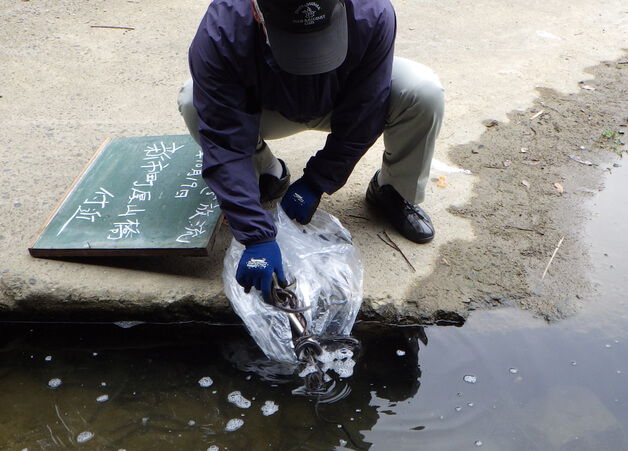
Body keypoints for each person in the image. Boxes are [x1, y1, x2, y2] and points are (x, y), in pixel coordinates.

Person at [179, 0, 444, 303]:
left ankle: (393, 189)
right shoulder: (222, 31)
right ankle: (266, 173)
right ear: (257, 11)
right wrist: (255, 236)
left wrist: (319, 179)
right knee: (192, 100)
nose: (307, 59)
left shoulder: (371, 12)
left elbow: (367, 108)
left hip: (339, 99)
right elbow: (224, 139)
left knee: (422, 91)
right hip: (264, 106)